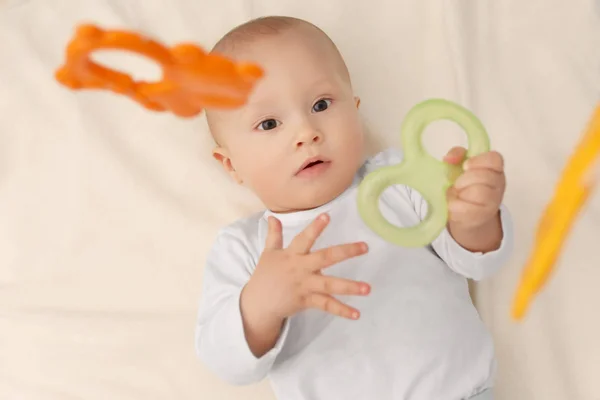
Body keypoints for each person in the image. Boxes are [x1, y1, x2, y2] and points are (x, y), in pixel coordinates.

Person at [195, 15, 513, 400]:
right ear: (231, 165)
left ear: (355, 109)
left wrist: (475, 218)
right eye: (268, 124)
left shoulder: (401, 181)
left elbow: (476, 262)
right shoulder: (246, 248)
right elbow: (225, 362)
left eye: (321, 103)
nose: (305, 132)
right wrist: (260, 306)